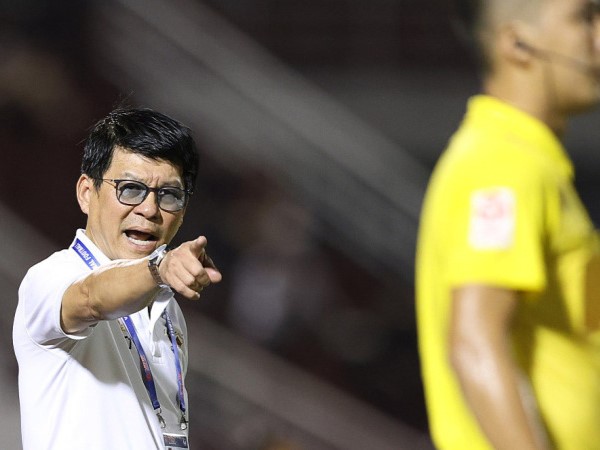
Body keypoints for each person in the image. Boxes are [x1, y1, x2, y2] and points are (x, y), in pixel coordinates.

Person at [416, 0, 600, 449]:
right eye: (584, 17)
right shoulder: (503, 164)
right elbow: (474, 340)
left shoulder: (529, 162)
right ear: (518, 44)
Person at [13, 107, 222, 449]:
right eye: (130, 188)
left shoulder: (168, 311)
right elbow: (90, 298)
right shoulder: (52, 276)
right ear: (86, 192)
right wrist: (160, 269)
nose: (150, 209)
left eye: (169, 195)